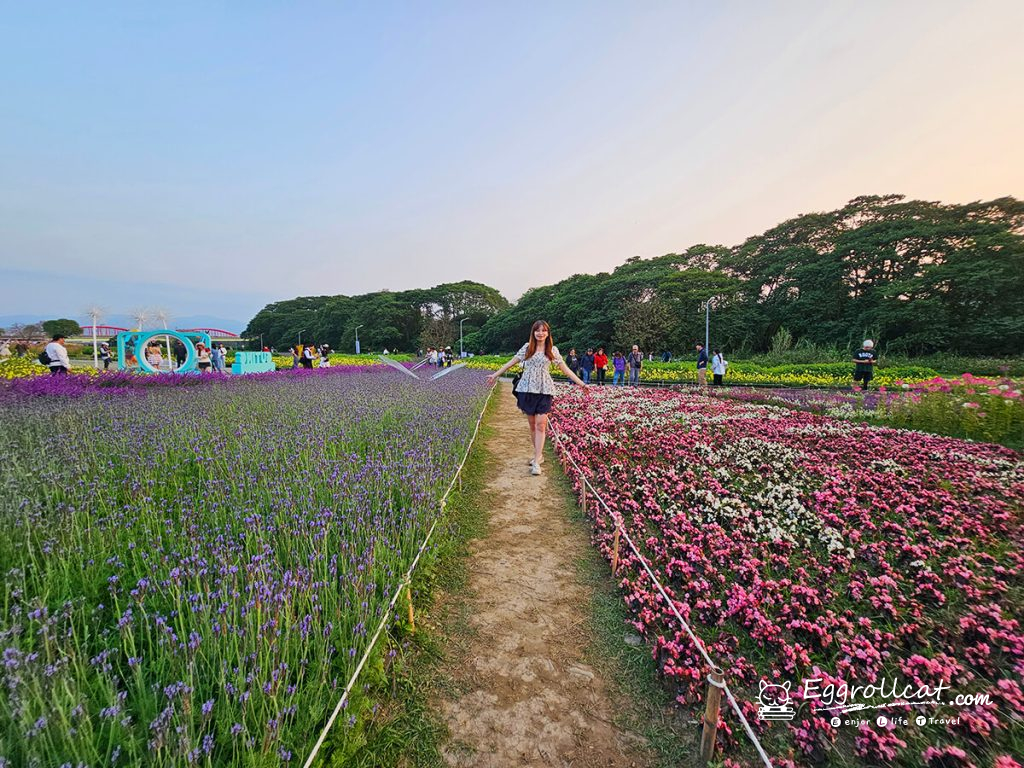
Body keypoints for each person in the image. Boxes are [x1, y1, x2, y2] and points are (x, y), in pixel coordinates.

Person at [486, 320, 588, 476]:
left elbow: (565, 369)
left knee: (541, 424)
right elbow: (511, 362)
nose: (541, 333)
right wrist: (495, 374)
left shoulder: (552, 350)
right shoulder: (527, 347)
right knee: (533, 425)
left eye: (544, 330)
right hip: (527, 389)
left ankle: (536, 461)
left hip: (545, 389)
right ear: (533, 332)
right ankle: (538, 455)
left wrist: (581, 384)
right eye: (538, 330)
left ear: (548, 333)